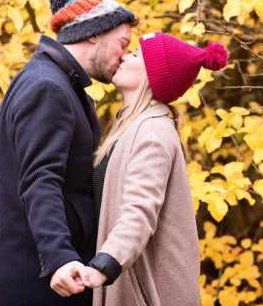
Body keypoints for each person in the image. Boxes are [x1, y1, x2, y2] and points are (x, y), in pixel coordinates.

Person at [0, 0, 138, 306]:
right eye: (122, 44)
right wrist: (59, 257)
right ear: (94, 34)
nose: (124, 55)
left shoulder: (58, 83)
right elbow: (41, 179)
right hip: (40, 287)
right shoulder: (47, 86)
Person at [80, 32, 228, 306]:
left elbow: (140, 210)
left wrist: (106, 263)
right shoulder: (132, 127)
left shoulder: (151, 132)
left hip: (149, 294)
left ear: (152, 74)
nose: (124, 56)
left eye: (135, 54)